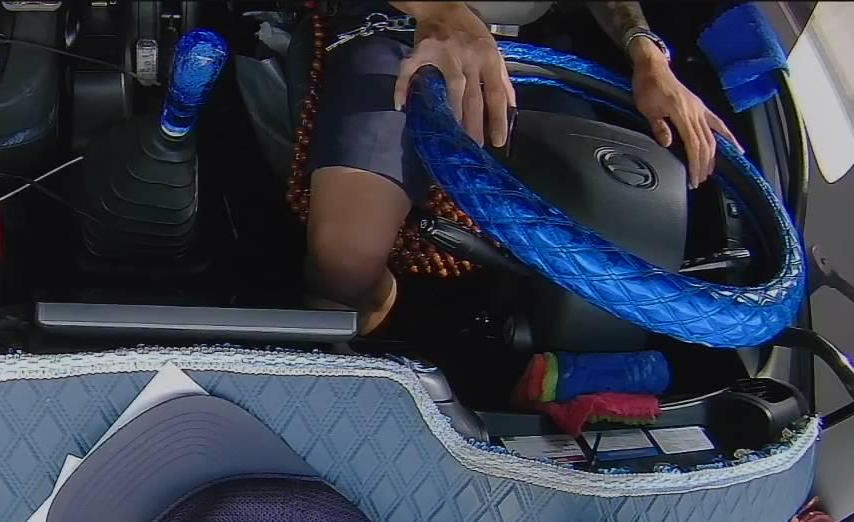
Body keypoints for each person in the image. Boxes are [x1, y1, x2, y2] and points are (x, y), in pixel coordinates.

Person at [306, 1, 741, 335]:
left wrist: (649, 58)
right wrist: (442, 11)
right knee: (346, 263)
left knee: (613, 239)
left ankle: (562, 384)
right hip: (401, 29)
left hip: (531, 53)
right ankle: (360, 333)